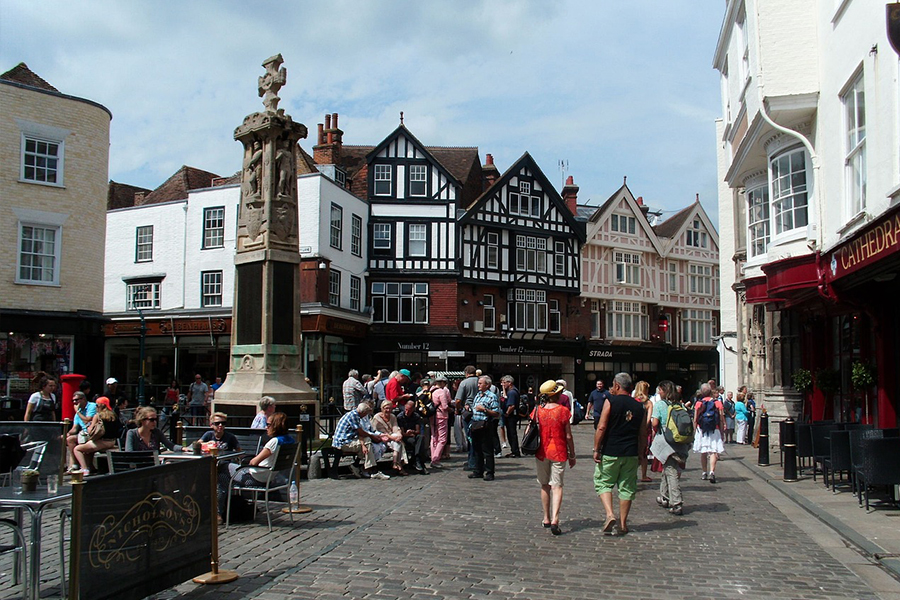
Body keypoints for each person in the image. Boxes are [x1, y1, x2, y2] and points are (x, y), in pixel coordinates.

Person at [593, 372, 647, 536]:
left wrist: (596, 448)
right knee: (627, 488)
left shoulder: (611, 401)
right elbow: (643, 432)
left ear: (617, 385)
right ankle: (623, 524)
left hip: (611, 450)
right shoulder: (640, 406)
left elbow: (601, 426)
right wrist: (641, 453)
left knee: (603, 482)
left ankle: (610, 514)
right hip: (630, 452)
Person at [223, 412, 294, 520]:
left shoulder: (274, 442)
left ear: (275, 426)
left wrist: (248, 461)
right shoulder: (290, 440)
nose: (266, 427)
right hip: (270, 478)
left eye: (268, 424)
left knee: (223, 467)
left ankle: (222, 510)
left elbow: (254, 462)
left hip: (255, 478)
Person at [534, 380, 576, 535]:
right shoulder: (563, 411)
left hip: (541, 452)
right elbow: (568, 436)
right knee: (557, 486)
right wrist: (572, 454)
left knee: (544, 485)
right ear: (556, 394)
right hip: (559, 451)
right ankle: (555, 519)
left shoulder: (538, 410)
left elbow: (530, 430)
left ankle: (545, 517)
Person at [650, 380, 689, 515]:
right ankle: (664, 497)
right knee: (667, 468)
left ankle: (676, 502)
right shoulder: (680, 405)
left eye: (660, 390)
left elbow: (655, 423)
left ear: (664, 391)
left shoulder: (660, 405)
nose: (658, 392)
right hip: (680, 441)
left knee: (671, 470)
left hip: (667, 441)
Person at [333, 403, 391, 479]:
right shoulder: (354, 416)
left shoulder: (354, 414)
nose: (365, 416)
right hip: (343, 443)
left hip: (349, 440)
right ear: (363, 413)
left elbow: (359, 433)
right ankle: (373, 470)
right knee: (368, 442)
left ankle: (357, 466)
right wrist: (371, 436)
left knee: (366, 446)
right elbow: (361, 432)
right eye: (366, 414)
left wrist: (363, 445)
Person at [73, 397, 123, 475]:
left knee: (77, 449)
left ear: (100, 405)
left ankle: (84, 469)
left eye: (96, 405)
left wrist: (88, 426)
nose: (95, 407)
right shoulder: (113, 415)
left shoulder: (98, 415)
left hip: (101, 442)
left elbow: (90, 431)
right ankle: (91, 467)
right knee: (88, 448)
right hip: (112, 441)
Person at [467, 375, 500, 481]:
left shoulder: (492, 396)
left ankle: (490, 472)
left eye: (480, 383)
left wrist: (485, 410)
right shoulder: (478, 395)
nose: (478, 385)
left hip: (485, 425)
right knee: (477, 449)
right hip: (475, 424)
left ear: (487, 385)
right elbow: (475, 408)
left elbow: (496, 413)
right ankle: (478, 470)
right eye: (478, 383)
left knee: (487, 450)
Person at [692, 383, 725, 483]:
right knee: (713, 451)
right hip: (714, 429)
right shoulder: (717, 403)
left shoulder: (698, 403)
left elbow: (695, 419)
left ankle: (704, 472)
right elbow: (721, 419)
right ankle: (712, 472)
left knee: (703, 451)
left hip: (702, 429)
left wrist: (695, 431)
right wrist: (722, 431)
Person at [372, 399, 408, 476]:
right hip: (382, 438)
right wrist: (391, 437)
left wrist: (399, 434)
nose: (388, 410)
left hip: (392, 437)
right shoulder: (376, 418)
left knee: (397, 441)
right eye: (386, 408)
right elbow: (374, 431)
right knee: (399, 443)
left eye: (390, 408)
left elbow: (395, 427)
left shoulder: (392, 417)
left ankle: (395, 463)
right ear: (382, 408)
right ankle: (399, 465)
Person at [66, 391, 97, 469]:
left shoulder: (92, 406)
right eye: (72, 401)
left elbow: (87, 420)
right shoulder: (78, 412)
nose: (74, 402)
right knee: (70, 439)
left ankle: (85, 466)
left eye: (76, 400)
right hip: (83, 433)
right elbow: (75, 428)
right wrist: (67, 433)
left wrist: (77, 411)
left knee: (82, 440)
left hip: (93, 432)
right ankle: (74, 464)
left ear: (83, 399)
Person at [455, 366, 479, 466]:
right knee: (478, 437)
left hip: (468, 411)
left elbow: (458, 400)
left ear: (466, 373)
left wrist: (459, 408)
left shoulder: (464, 383)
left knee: (470, 437)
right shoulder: (481, 381)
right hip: (480, 412)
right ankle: (475, 460)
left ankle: (472, 461)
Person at [398, 399, 428, 473]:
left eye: (409, 410)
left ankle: (417, 459)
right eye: (406, 410)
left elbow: (418, 431)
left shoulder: (416, 416)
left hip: (413, 436)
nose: (407, 412)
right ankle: (419, 462)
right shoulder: (400, 417)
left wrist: (412, 431)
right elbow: (402, 433)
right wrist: (407, 433)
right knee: (417, 443)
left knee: (421, 438)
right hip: (404, 437)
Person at [429, 375, 452, 469]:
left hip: (432, 416)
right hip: (441, 416)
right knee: (442, 438)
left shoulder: (431, 390)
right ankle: (435, 459)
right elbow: (445, 406)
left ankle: (433, 456)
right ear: (442, 383)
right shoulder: (441, 392)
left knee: (434, 437)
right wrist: (451, 409)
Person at [633, 380, 653, 483]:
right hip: (644, 430)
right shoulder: (648, 402)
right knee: (643, 453)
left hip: (633, 429)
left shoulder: (633, 400)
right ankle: (644, 475)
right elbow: (648, 419)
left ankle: (631, 474)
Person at [500, 375, 521, 458]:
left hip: (511, 416)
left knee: (511, 434)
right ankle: (514, 450)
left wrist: (507, 413)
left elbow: (511, 405)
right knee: (511, 433)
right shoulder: (512, 391)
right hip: (512, 415)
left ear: (510, 383)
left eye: (505, 382)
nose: (503, 384)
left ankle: (515, 451)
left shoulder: (512, 392)